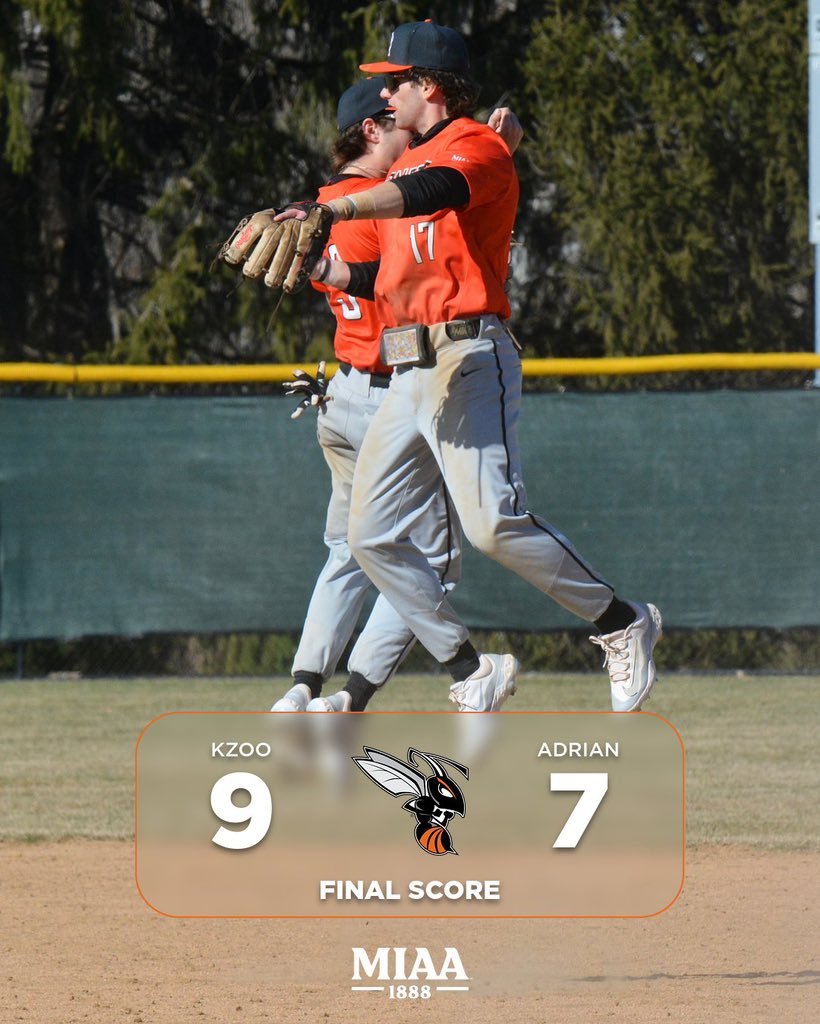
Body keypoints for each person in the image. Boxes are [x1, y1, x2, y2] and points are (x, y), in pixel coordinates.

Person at [273, 21, 662, 714]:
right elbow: (383, 279)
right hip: (408, 370)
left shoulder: (474, 146)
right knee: (368, 537)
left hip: (469, 356)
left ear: (430, 87)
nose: (386, 93)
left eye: (396, 81)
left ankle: (621, 621)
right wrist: (320, 263)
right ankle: (469, 667)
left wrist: (337, 206)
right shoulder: (401, 168)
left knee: (490, 526)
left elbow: (433, 192)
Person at [271, 76, 524, 714]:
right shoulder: (376, 207)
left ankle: (302, 686)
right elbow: (431, 257)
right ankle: (372, 694)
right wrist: (495, 156)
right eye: (395, 123)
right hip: (397, 393)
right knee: (430, 561)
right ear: (372, 131)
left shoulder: (324, 204)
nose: (408, 130)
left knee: (349, 550)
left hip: (342, 394)